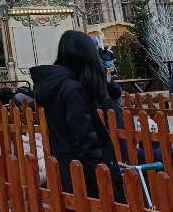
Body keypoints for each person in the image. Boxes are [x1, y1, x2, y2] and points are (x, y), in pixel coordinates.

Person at [32, 30, 124, 201]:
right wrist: (101, 170)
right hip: (85, 174)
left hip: (69, 168)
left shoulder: (59, 86)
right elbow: (84, 137)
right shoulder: (73, 90)